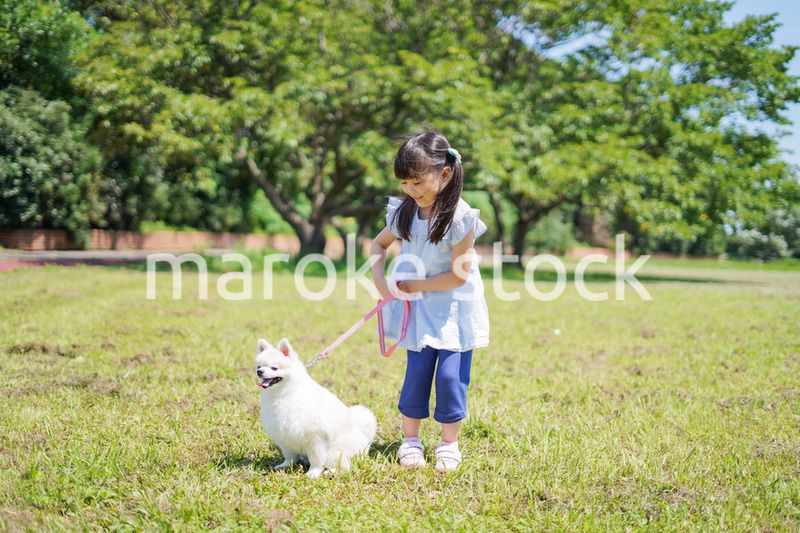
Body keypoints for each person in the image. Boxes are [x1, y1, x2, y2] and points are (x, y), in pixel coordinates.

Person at [370, 130, 490, 473]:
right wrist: (381, 283)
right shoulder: (405, 212)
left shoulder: (461, 218)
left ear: (445, 173)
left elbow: (458, 276)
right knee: (417, 373)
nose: (411, 189)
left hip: (453, 308)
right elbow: (378, 245)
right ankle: (410, 440)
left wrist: (417, 284)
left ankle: (449, 444)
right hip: (419, 308)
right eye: (404, 182)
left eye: (417, 181)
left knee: (451, 378)